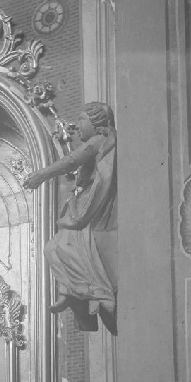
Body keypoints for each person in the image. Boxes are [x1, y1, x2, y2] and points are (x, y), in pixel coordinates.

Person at [23, 101, 117, 334]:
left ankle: (91, 291)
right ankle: (70, 292)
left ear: (96, 123)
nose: (75, 126)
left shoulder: (98, 141)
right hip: (81, 203)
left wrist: (41, 175)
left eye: (81, 119)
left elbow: (72, 161)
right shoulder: (97, 141)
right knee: (52, 248)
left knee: (60, 246)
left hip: (89, 207)